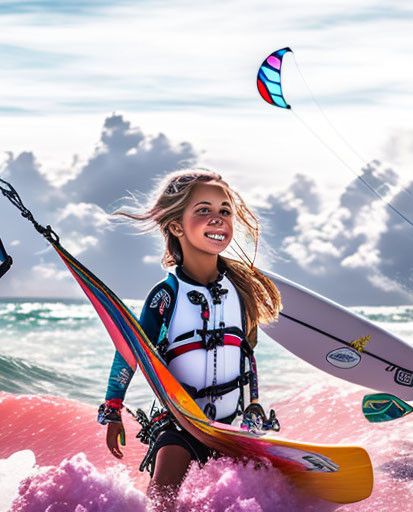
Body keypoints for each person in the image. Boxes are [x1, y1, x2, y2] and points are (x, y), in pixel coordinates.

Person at [95, 169, 282, 509]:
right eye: (204, 210)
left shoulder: (242, 291)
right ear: (176, 226)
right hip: (183, 422)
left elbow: (246, 354)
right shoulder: (166, 296)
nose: (218, 219)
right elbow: (129, 352)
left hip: (232, 427)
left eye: (225, 211)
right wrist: (112, 407)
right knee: (162, 496)